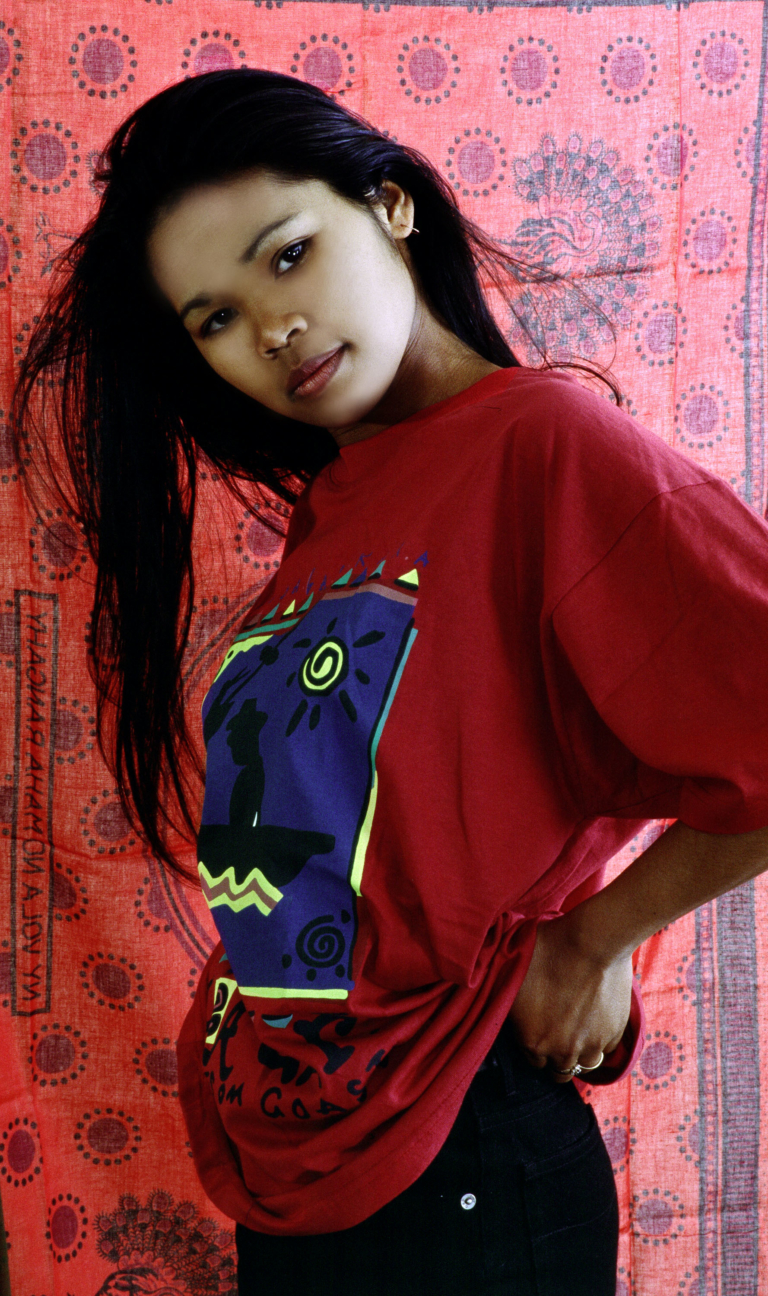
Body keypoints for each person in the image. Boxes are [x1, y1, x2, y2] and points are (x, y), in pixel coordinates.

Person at [12, 67, 768, 1296]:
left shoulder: (541, 447)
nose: (271, 327)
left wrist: (592, 943)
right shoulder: (333, 519)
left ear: (391, 205)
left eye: (289, 254)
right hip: (307, 1162)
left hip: (465, 1158)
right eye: (215, 317)